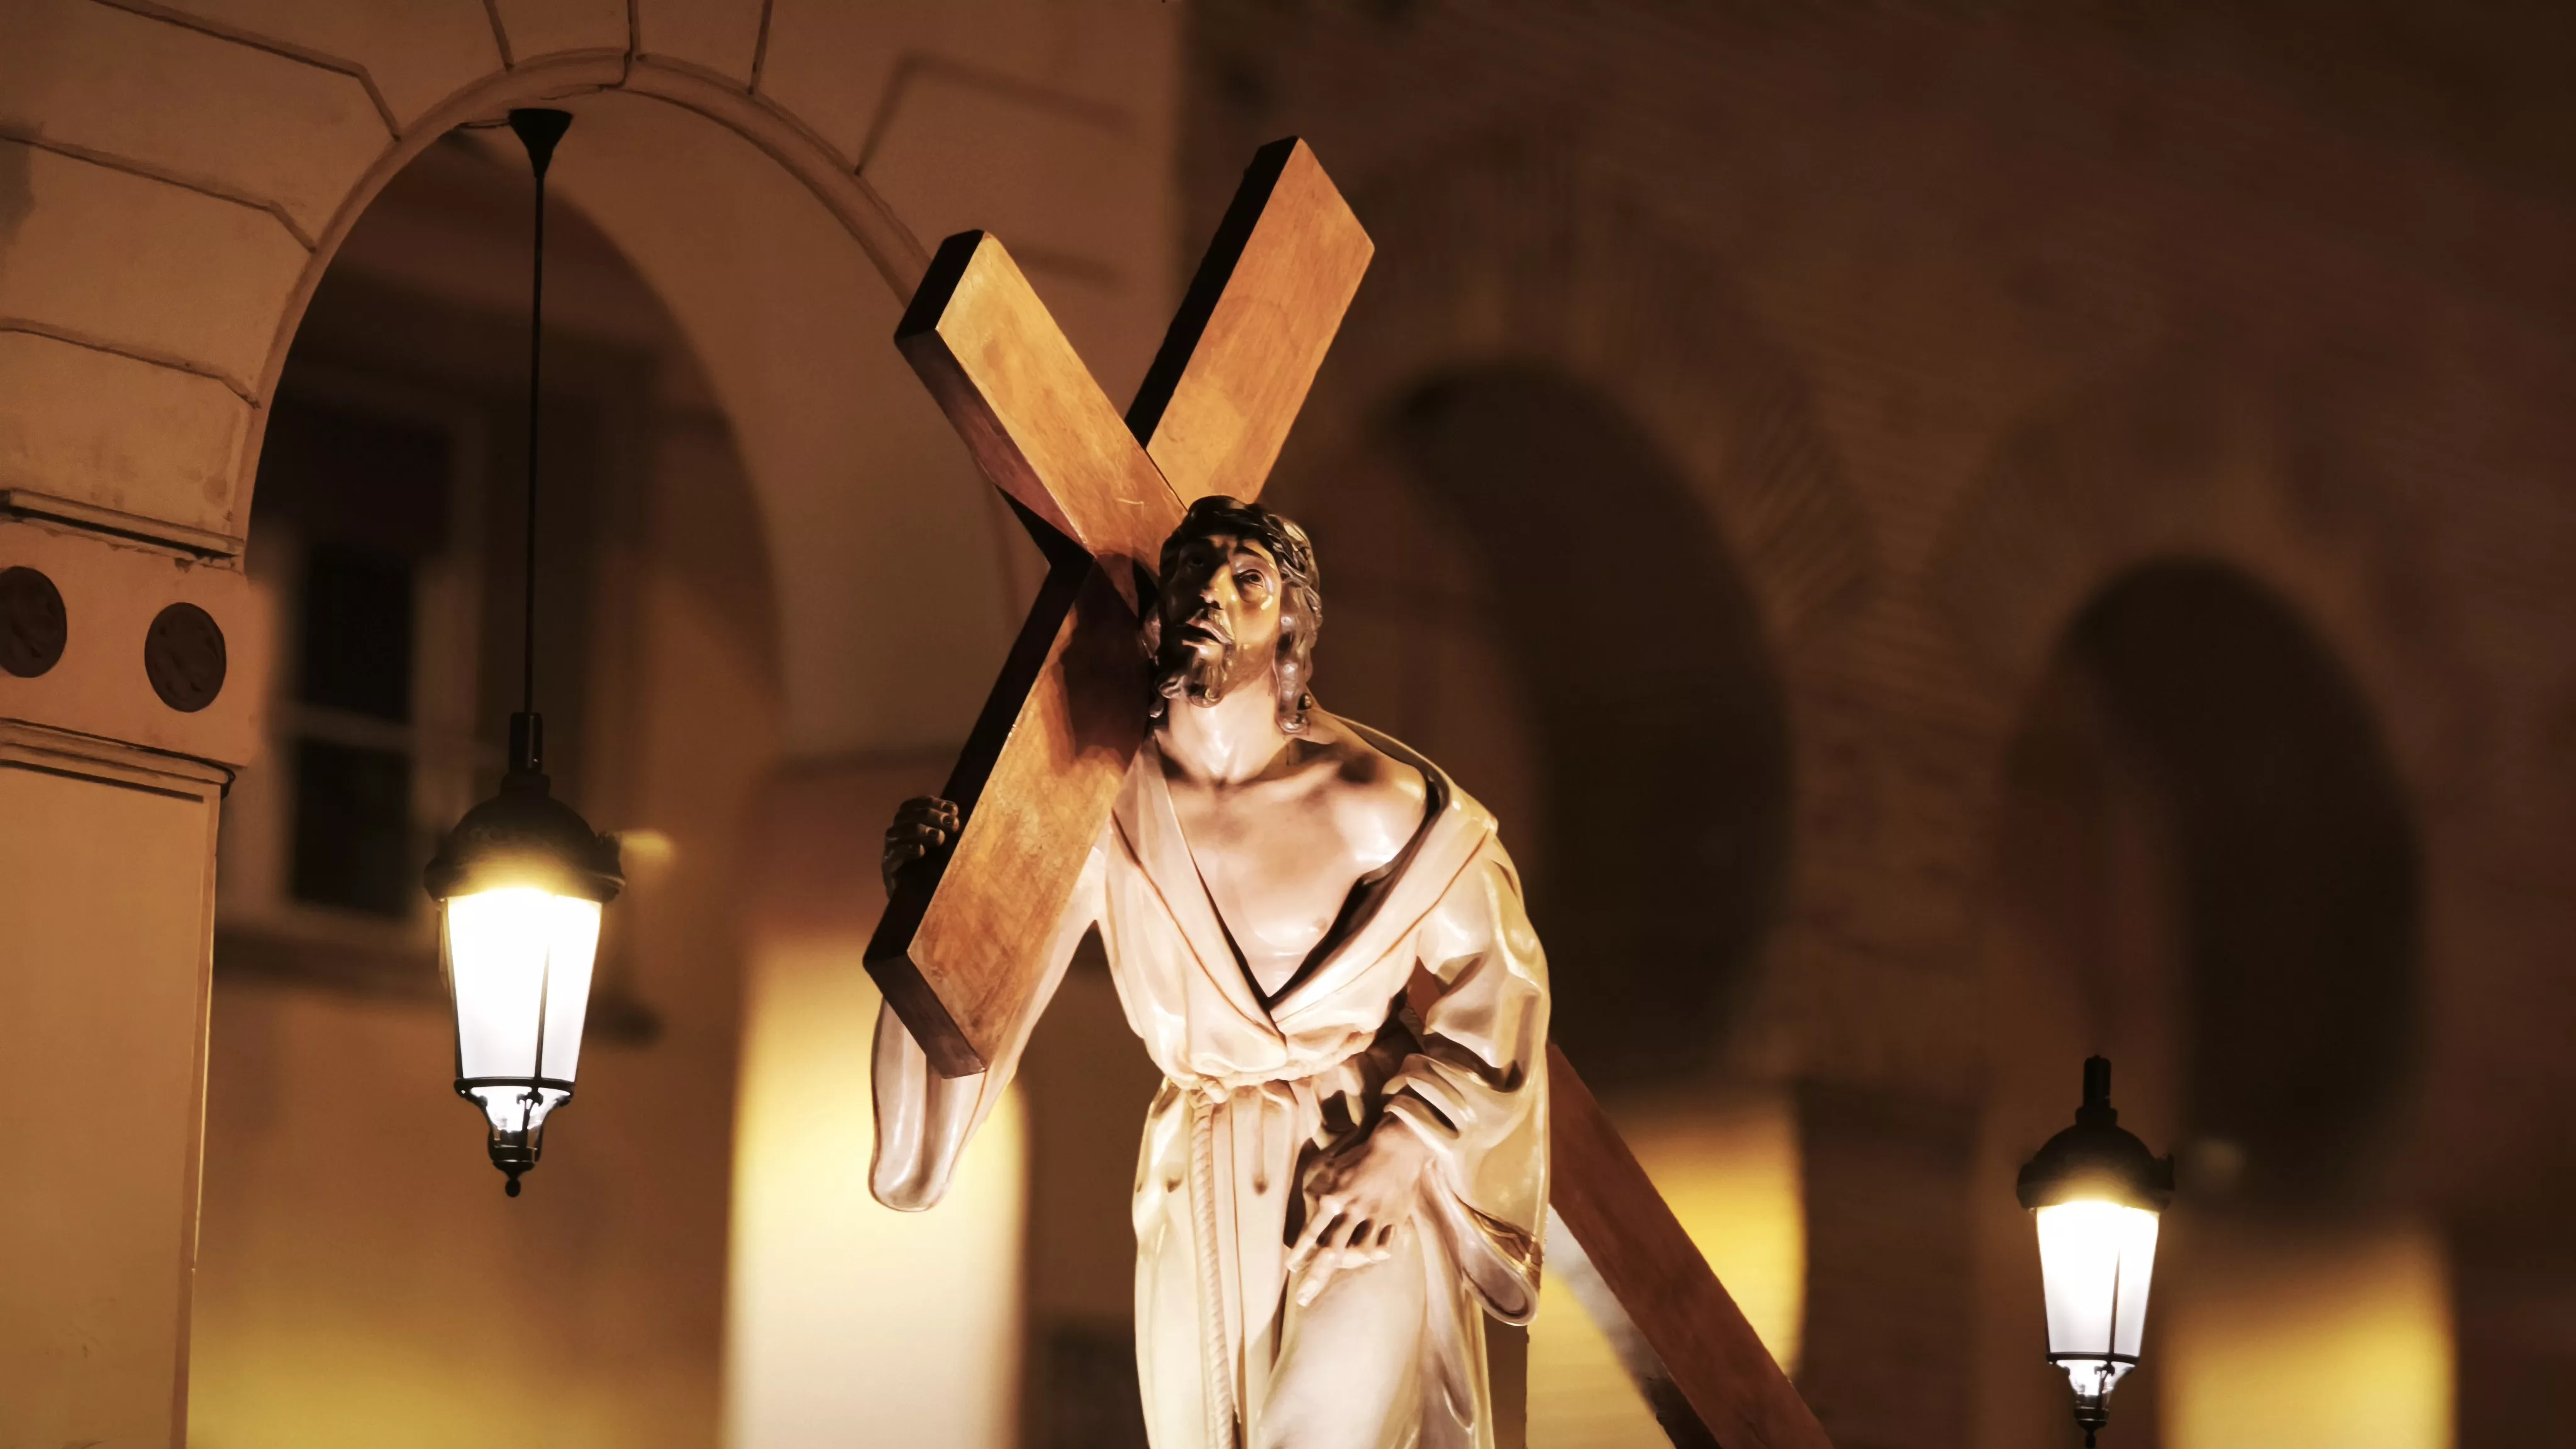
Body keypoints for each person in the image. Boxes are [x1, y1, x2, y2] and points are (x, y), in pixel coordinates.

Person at [872, 496, 1550, 1449]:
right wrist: (931, 910)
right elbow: (987, 986)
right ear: (1158, 610)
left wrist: (1405, 1148)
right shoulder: (1105, 810)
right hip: (1197, 1169)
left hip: (1356, 1166)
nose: (1213, 593)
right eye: (1194, 569)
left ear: (1291, 633)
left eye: (1250, 579)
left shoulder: (1376, 804)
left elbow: (1502, 978)